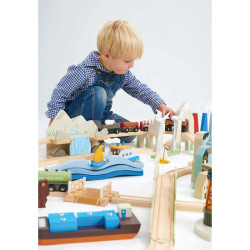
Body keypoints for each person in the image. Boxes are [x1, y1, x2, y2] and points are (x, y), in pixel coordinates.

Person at [46, 20, 176, 142]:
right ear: (107, 55)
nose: (131, 66)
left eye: (133, 61)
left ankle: (99, 128)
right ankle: (91, 135)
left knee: (130, 133)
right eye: (127, 61)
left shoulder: (123, 74)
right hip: (75, 117)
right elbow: (60, 92)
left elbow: (139, 89)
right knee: (98, 92)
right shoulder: (84, 71)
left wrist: (161, 106)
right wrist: (56, 119)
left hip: (102, 117)